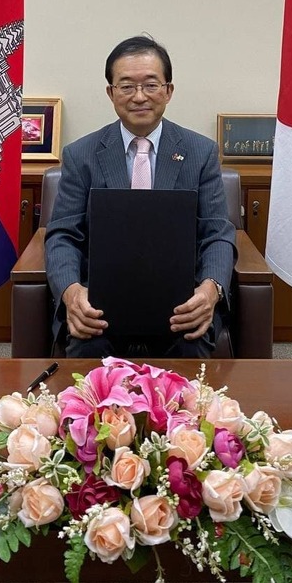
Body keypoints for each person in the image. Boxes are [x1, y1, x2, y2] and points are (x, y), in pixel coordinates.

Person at [44, 35, 236, 358]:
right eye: (126, 86)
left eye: (150, 85)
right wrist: (71, 292)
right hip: (99, 305)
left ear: (168, 90)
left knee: (189, 355)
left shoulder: (201, 153)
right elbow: (62, 234)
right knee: (88, 358)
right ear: (111, 93)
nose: (139, 96)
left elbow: (217, 233)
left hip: (181, 303)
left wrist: (210, 290)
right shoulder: (81, 155)